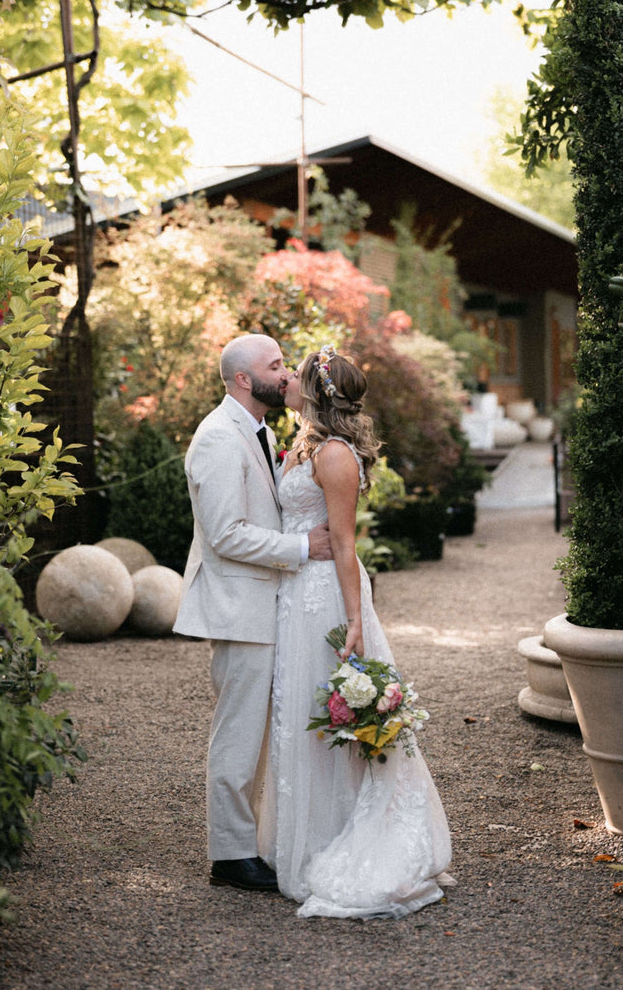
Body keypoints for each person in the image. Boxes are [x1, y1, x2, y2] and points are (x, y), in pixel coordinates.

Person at [259, 345, 453, 919]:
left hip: (325, 599)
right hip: (294, 595)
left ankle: (350, 839)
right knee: (297, 713)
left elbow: (345, 545)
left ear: (315, 392)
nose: (288, 381)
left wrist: (354, 623)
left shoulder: (337, 455)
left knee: (331, 715)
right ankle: (305, 838)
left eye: (294, 376)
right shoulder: (300, 445)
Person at [174, 333, 333, 893]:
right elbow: (224, 535)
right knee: (238, 735)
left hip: (266, 604)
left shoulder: (260, 431)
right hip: (238, 605)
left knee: (261, 733)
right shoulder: (218, 438)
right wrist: (301, 549)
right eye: (276, 366)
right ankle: (230, 855)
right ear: (244, 379)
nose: (286, 374)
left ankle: (248, 844)